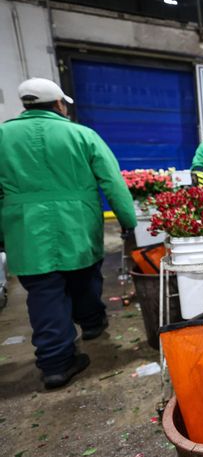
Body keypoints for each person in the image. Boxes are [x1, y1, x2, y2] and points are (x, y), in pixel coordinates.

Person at [0, 78, 136, 390]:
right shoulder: (81, 134)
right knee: (85, 279)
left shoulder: (3, 136)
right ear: (60, 105)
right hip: (77, 227)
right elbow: (112, 181)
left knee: (44, 294)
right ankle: (91, 324)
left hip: (27, 231)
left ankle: (55, 364)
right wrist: (128, 221)